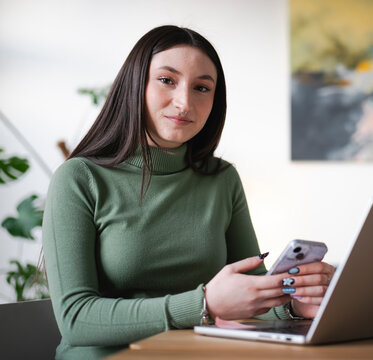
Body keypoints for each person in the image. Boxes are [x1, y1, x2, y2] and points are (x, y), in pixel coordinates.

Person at [42, 25, 334, 359]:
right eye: (167, 80)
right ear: (135, 85)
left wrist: (293, 304)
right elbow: (76, 320)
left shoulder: (222, 179)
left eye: (201, 88)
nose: (184, 102)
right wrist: (204, 303)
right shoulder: (79, 178)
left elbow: (250, 296)